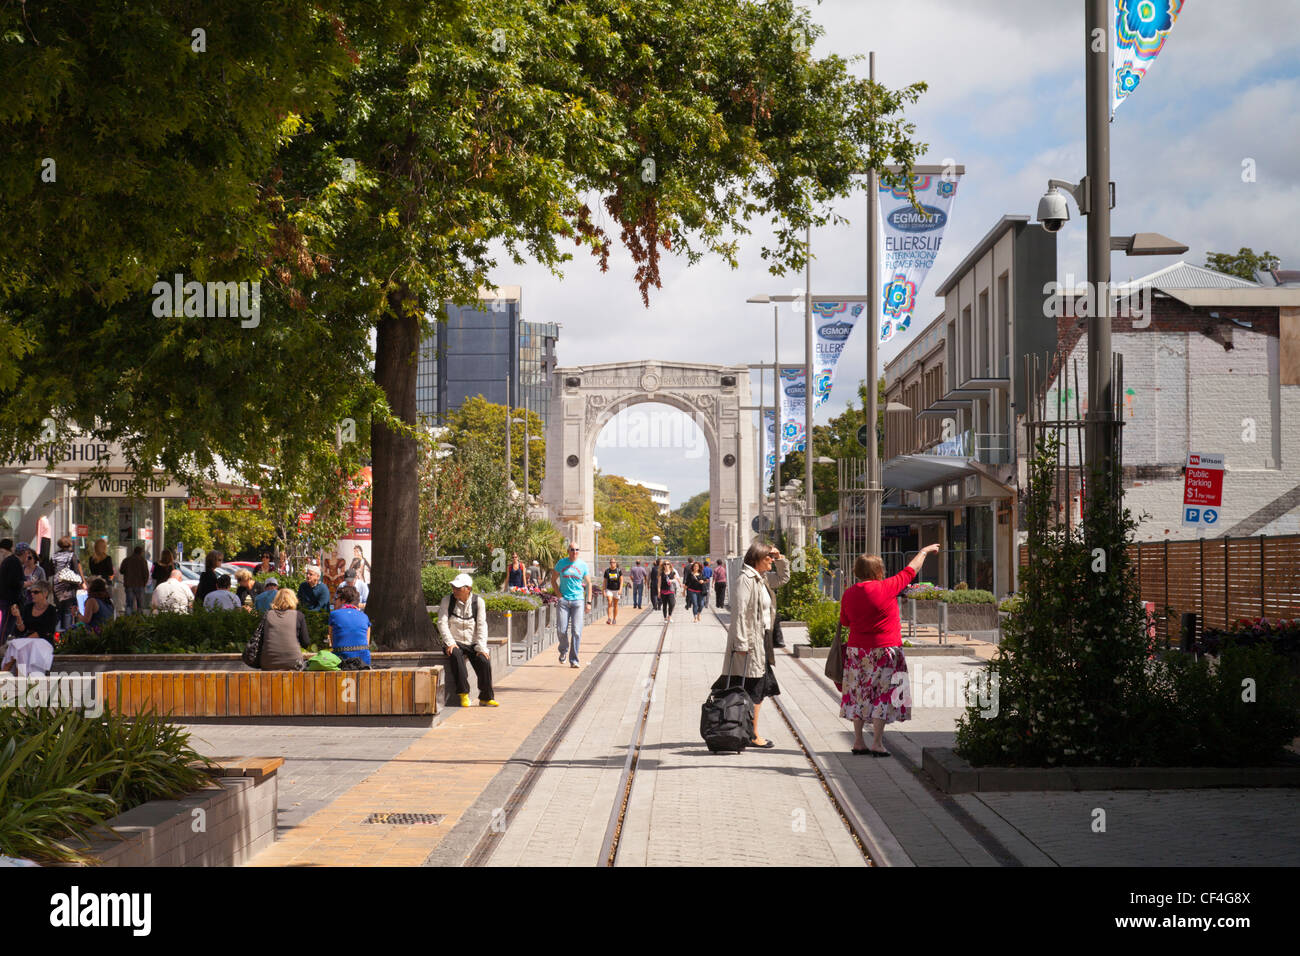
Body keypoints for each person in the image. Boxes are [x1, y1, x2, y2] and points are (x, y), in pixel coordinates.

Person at [838, 544, 940, 756]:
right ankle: (877, 742)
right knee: (883, 695)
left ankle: (858, 741)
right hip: (886, 650)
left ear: (857, 571)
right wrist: (924, 551)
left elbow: (845, 622)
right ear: (878, 571)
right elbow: (912, 569)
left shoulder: (848, 594)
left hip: (857, 652)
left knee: (859, 694)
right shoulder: (887, 587)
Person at [719, 540, 790, 749]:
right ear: (758, 558)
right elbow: (739, 613)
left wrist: (781, 558)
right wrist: (741, 643)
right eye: (769, 557)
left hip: (761, 640)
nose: (771, 561)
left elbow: (783, 578)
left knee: (758, 687)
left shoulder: (762, 578)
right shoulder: (746, 579)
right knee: (756, 687)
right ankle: (751, 733)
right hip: (750, 643)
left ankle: (747, 730)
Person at [436, 572, 498, 707]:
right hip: (455, 641)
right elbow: (442, 622)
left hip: (473, 643)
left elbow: (482, 625)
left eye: (458, 588)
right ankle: (463, 694)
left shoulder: (478, 602)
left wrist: (481, 648)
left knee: (484, 660)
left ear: (468, 589)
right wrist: (450, 642)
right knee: (456, 655)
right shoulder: (447, 600)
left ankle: (486, 697)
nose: (455, 591)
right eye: (453, 588)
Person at [2, 581, 56, 676]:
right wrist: (18, 616)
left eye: (36, 592)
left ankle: (20, 678)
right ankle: (4, 676)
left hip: (43, 641)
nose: (32, 594)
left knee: (20, 647)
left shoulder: (51, 610)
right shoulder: (28, 607)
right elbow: (21, 629)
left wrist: (25, 641)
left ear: (45, 593)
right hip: (27, 640)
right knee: (19, 646)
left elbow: (46, 631)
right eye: (31, 592)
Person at [550, 543, 590, 668]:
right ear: (568, 551)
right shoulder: (561, 563)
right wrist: (559, 596)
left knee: (577, 632)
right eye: (572, 549)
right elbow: (553, 580)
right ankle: (563, 651)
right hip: (564, 602)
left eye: (577, 550)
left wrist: (588, 602)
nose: (574, 552)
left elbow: (589, 583)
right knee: (562, 630)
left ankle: (574, 660)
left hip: (578, 601)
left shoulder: (583, 565)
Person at [257, 587, 311, 670]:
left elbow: (260, 640)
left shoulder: (267, 615)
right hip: (294, 662)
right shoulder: (298, 615)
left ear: (276, 600)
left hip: (268, 662)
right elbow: (306, 642)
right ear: (293, 600)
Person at [327, 584, 371, 665]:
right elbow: (366, 643)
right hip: (364, 662)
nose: (334, 602)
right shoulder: (365, 617)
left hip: (341, 661)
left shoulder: (334, 615)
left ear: (343, 600)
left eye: (336, 598)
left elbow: (333, 642)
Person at [49, 536, 83, 633]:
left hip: (57, 586)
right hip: (69, 587)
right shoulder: (72, 555)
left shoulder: (54, 556)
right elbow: (76, 571)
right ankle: (66, 634)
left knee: (59, 609)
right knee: (68, 611)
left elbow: (50, 571)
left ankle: (57, 634)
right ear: (69, 544)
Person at [119, 545, 151, 614]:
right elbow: (146, 573)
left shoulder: (127, 560)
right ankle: (139, 620)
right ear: (141, 552)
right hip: (140, 585)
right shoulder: (142, 561)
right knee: (140, 605)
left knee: (129, 604)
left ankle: (128, 620)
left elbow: (121, 571)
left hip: (129, 584)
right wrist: (144, 583)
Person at [15, 543, 46, 608]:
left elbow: (44, 585)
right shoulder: (21, 568)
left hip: (34, 597)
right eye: (26, 557)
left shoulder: (40, 570)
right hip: (22, 597)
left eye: (29, 558)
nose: (27, 560)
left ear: (34, 559)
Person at [603, 558, 622, 625]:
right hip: (609, 589)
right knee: (609, 602)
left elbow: (621, 581)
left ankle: (614, 618)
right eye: (611, 562)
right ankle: (609, 618)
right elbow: (605, 581)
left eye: (613, 562)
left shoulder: (618, 571)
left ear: (616, 563)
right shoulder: (607, 571)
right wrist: (604, 590)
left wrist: (620, 589)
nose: (612, 563)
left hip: (616, 590)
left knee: (615, 604)